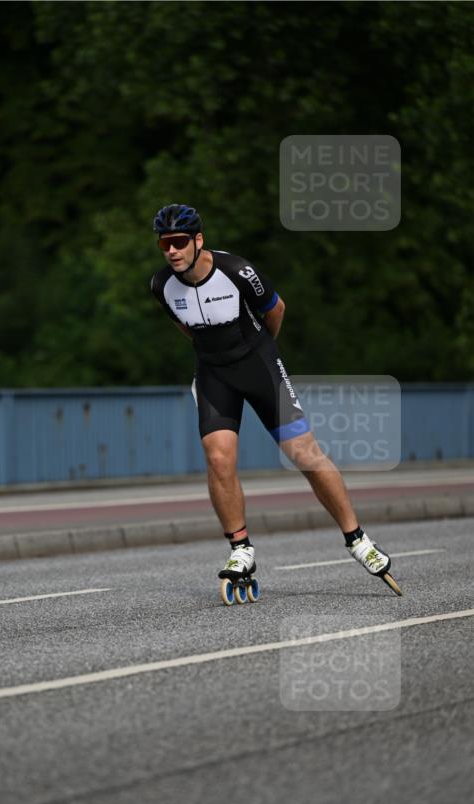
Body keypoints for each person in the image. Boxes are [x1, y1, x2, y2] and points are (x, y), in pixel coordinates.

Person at [149, 203, 399, 593]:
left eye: (179, 241)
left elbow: (276, 310)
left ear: (199, 240)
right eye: (165, 243)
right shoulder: (160, 285)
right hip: (215, 374)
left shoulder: (237, 272)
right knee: (217, 458)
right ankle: (240, 547)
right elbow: (186, 327)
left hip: (260, 365)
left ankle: (358, 540)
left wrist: (263, 353)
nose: (172, 250)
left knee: (303, 453)